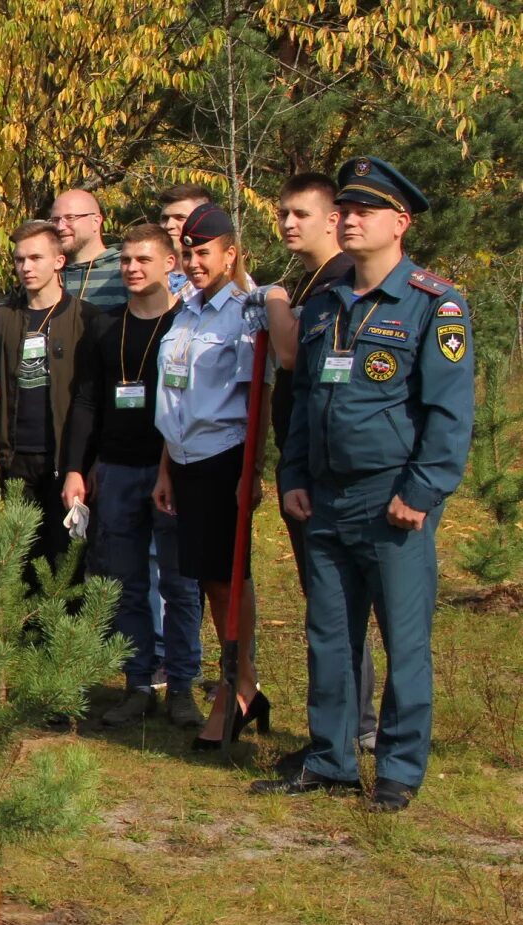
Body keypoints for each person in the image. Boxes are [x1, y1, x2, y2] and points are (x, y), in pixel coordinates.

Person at [258, 157, 473, 813]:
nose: (349, 220)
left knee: (403, 642)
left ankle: (400, 770)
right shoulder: (323, 304)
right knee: (329, 637)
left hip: (393, 501)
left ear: (400, 223)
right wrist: (293, 476)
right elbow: (303, 402)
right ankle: (331, 760)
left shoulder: (436, 305)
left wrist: (423, 490)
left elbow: (447, 413)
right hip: (324, 498)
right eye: (344, 209)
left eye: (364, 211)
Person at [150, 202, 294, 751]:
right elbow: (175, 394)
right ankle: (239, 679)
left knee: (227, 577)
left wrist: (252, 470)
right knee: (205, 576)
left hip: (223, 457)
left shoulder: (244, 310)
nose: (193, 261)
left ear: (230, 253)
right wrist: (165, 468)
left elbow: (258, 393)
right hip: (183, 459)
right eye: (187, 252)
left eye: (203, 252)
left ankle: (239, 682)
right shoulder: (184, 311)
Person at [62, 225, 205, 728]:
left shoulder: (186, 326)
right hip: (117, 472)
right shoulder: (103, 327)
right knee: (124, 583)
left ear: (172, 264)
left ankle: (183, 687)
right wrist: (77, 467)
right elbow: (85, 400)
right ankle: (137, 683)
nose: (132, 268)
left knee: (181, 583)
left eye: (144, 259)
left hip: (176, 471)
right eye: (125, 260)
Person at [266, 172, 374, 778]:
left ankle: (356, 730)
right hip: (304, 466)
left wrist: (276, 304)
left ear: (334, 219)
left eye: (301, 213)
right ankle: (337, 732)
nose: (287, 223)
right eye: (283, 212)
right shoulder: (312, 280)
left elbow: (291, 358)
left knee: (343, 611)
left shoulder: (337, 283)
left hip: (345, 476)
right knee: (326, 610)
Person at [0, 221, 93, 574]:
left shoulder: (86, 318)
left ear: (59, 261)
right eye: (20, 259)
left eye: (36, 258)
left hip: (63, 461)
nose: (26, 267)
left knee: (68, 560)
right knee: (21, 560)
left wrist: (80, 465)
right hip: (15, 458)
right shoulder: (1, 318)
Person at [50, 189, 127, 311]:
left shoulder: (126, 270)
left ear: (95, 221)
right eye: (55, 220)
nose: (60, 227)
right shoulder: (48, 273)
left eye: (70, 217)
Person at [158, 185, 214, 297]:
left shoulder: (226, 281)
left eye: (180, 218)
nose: (169, 225)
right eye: (165, 218)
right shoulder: (142, 274)